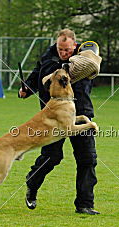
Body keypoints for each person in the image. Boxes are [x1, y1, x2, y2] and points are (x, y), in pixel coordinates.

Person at [18, 29, 100, 215]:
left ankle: (85, 204)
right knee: (52, 157)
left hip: (81, 112)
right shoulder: (49, 60)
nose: (63, 52)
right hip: (54, 116)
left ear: (75, 45)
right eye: (60, 49)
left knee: (88, 159)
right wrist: (25, 90)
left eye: (67, 50)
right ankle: (32, 182)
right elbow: (39, 76)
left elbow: (93, 66)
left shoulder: (85, 58)